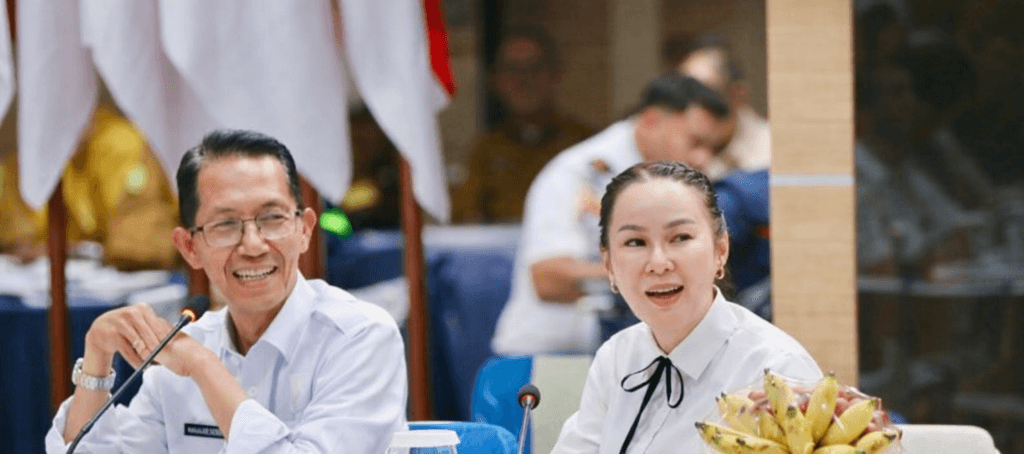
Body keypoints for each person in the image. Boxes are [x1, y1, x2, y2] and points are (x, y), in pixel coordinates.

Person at [45, 130, 408, 453]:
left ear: (305, 230)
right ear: (189, 247)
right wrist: (96, 356)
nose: (253, 245)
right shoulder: (186, 348)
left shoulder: (361, 338)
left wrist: (205, 367)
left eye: (272, 218)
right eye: (226, 224)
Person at [550, 161, 822, 454]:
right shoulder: (616, 357)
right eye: (635, 242)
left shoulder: (776, 370)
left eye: (680, 238)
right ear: (609, 266)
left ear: (720, 251)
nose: (658, 263)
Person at [490, 73, 733, 355]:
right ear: (652, 120)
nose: (704, 159)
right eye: (695, 142)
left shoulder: (680, 184)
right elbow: (548, 279)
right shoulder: (578, 173)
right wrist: (653, 272)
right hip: (550, 360)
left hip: (624, 357)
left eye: (713, 149)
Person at [0, 104, 180, 270]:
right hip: (64, 284)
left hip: (138, 283)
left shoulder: (120, 144)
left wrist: (69, 251)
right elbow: (19, 245)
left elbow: (139, 249)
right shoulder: (30, 161)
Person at [450, 25, 594, 223]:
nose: (524, 80)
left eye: (534, 68)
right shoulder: (485, 150)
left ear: (555, 74)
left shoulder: (584, 145)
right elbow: (467, 218)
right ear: (496, 81)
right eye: (512, 70)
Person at [676, 35, 771, 182]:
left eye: (704, 94)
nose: (691, 108)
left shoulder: (770, 150)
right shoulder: (672, 143)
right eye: (683, 92)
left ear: (738, 95)